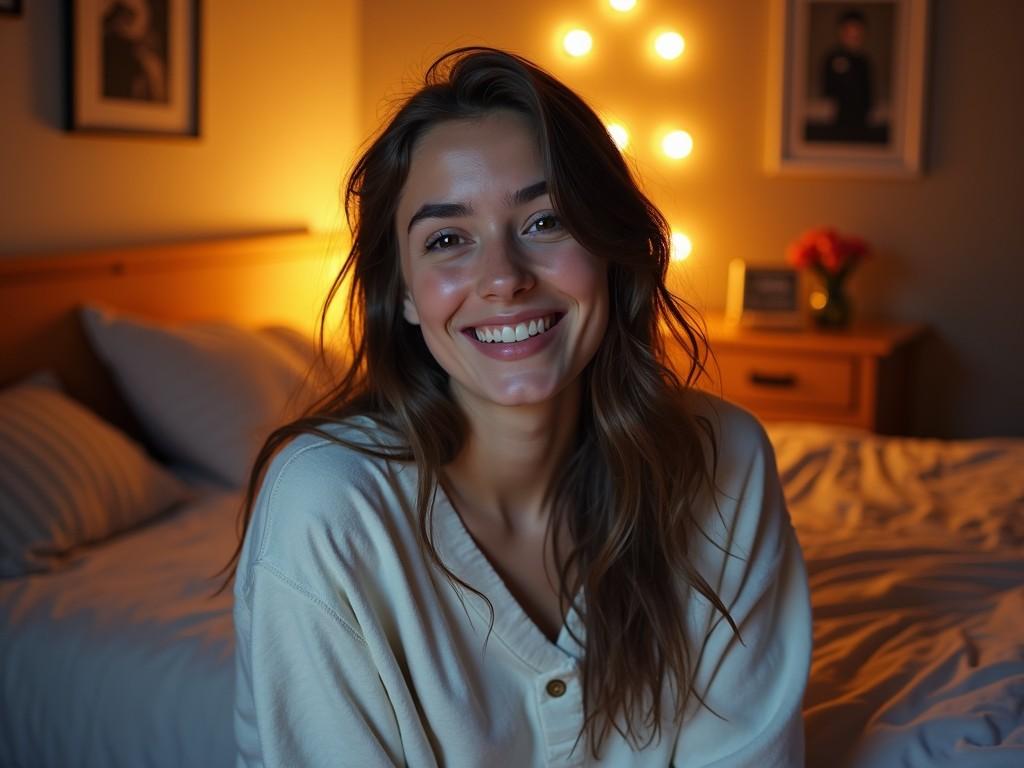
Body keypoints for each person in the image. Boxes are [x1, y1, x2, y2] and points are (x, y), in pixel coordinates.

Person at [223, 46, 812, 767]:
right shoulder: (325, 510)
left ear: (609, 248)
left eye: (544, 222)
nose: (503, 278)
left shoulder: (726, 460)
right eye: (447, 240)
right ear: (403, 293)